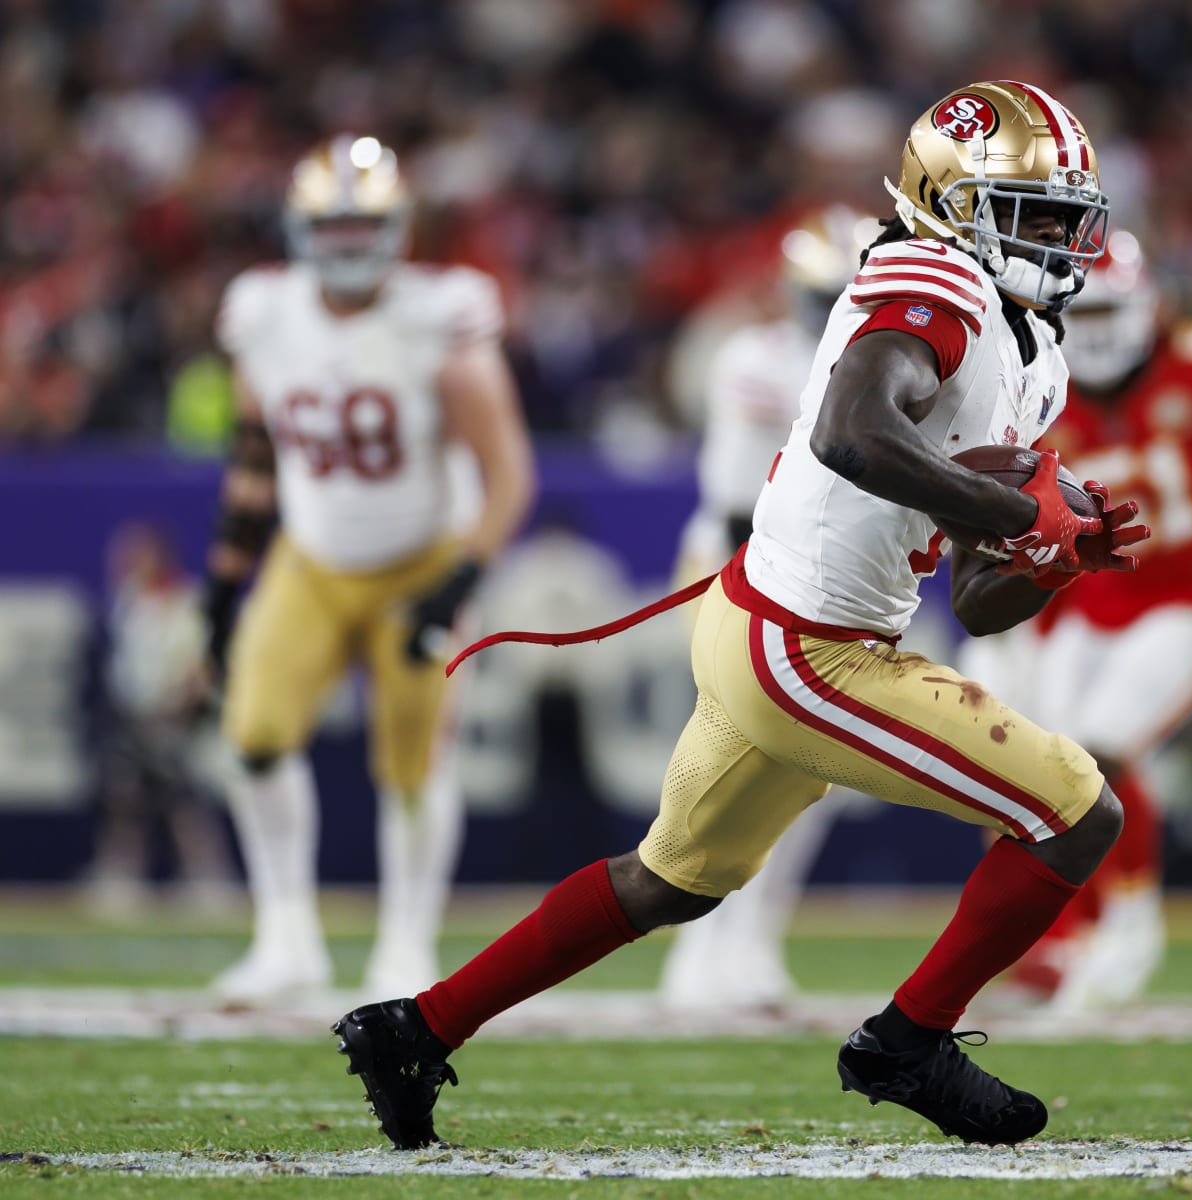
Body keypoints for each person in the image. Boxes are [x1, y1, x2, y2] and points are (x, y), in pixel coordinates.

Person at [335, 80, 1146, 1151]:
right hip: (808, 647)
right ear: (950, 203)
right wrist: (1016, 509)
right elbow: (852, 432)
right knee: (1078, 813)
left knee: (668, 881)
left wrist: (1053, 556)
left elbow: (977, 599)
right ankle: (909, 1042)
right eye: (1029, 212)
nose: (1054, 239)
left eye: (1064, 217)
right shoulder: (933, 275)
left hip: (778, 627)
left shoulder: (1033, 355)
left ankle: (415, 1028)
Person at [202, 136, 536, 1001]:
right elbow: (253, 456)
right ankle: (286, 939)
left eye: (365, 225)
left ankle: (405, 948)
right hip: (312, 557)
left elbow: (507, 474)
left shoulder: (440, 315)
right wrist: (224, 582)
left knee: (416, 762)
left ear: (398, 227)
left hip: (420, 560)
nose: (349, 243)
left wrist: (459, 582)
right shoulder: (264, 313)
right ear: (299, 229)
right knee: (254, 737)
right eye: (332, 226)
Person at [967, 229, 1192, 1011]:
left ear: (1145, 309)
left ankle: (1132, 921)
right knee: (1039, 765)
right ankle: (1062, 937)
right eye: (1082, 317)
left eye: (1107, 315)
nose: (1093, 335)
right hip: (1089, 600)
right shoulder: (1043, 384)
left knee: (1102, 748)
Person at [660, 206, 882, 1013]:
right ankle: (697, 946)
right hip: (742, 571)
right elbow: (736, 508)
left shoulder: (901, 364)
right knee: (735, 762)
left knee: (813, 779)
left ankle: (752, 943)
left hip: (832, 581)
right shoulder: (757, 362)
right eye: (824, 295)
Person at [84, 521, 234, 913]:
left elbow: (199, 665)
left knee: (182, 800)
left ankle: (209, 876)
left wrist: (178, 708)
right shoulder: (127, 604)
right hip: (134, 719)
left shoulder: (186, 603)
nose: (126, 565)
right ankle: (122, 873)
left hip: (177, 720)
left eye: (136, 556)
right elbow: (126, 667)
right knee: (125, 800)